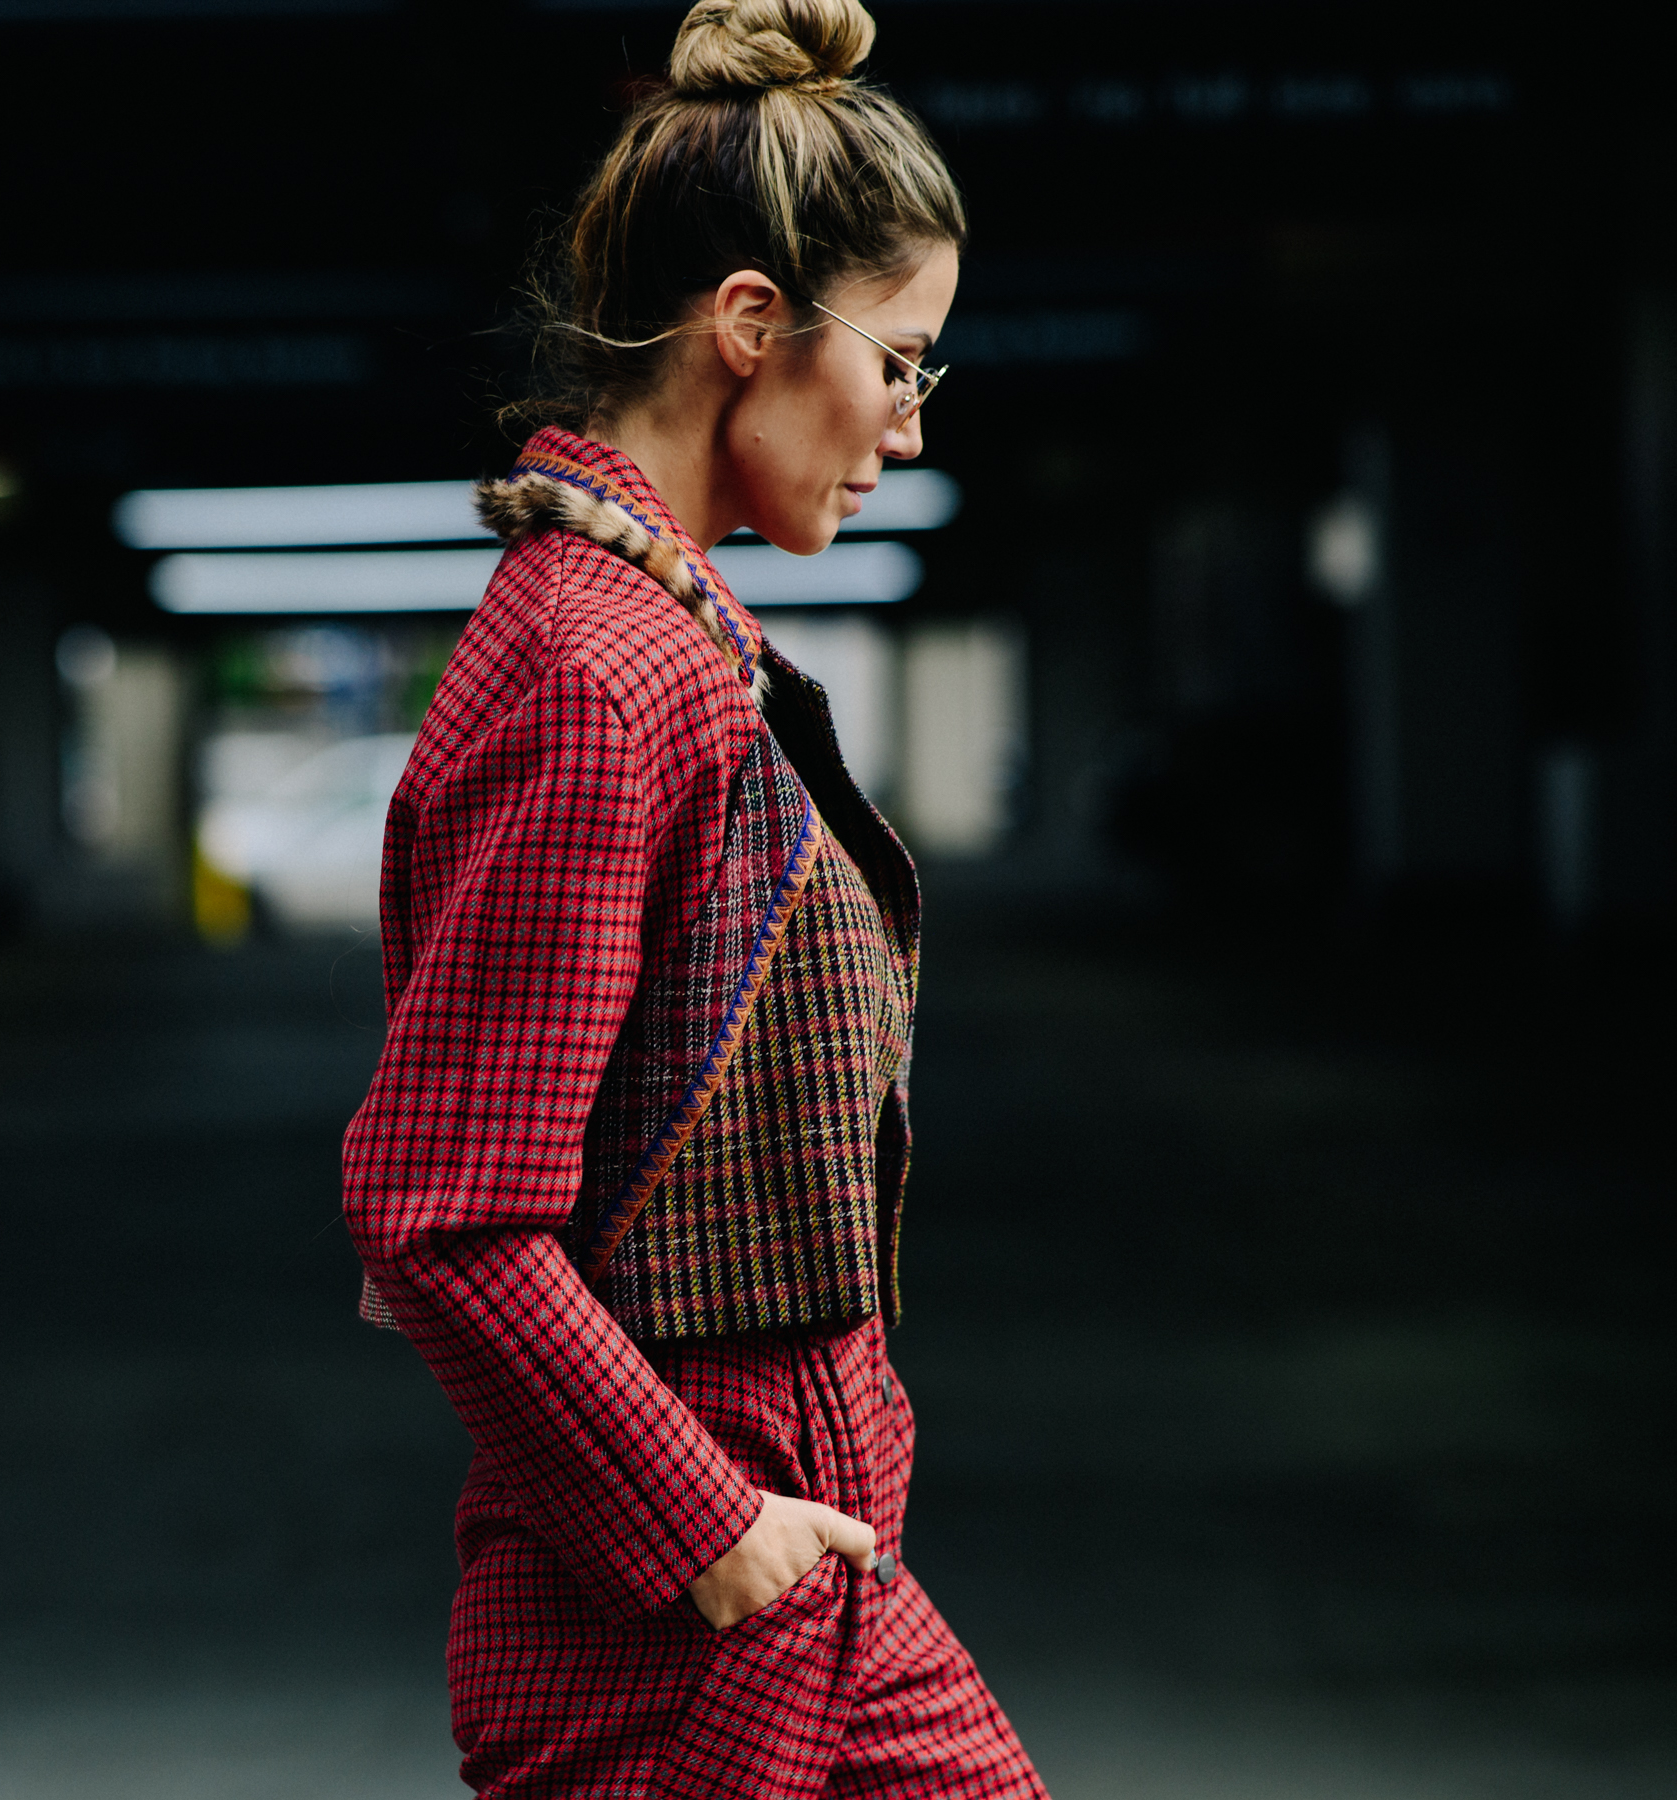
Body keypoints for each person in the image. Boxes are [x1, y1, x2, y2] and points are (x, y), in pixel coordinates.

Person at [341, 2, 1046, 1794]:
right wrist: (707, 1525)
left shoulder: (661, 637)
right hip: (670, 1617)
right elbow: (442, 1212)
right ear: (748, 323)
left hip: (788, 1569)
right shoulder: (600, 667)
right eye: (902, 361)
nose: (907, 426)